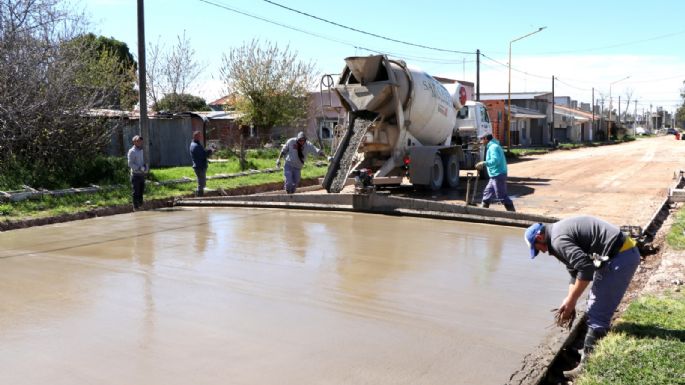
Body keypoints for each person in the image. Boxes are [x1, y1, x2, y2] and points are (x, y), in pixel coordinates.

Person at [524, 216, 640, 378]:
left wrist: (572, 301)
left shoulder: (558, 240)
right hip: (617, 255)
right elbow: (574, 271)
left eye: (539, 248)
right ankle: (590, 347)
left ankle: (588, 366)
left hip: (620, 257)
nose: (543, 252)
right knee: (593, 304)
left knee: (598, 312)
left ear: (540, 237)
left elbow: (585, 269)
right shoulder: (557, 234)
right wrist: (568, 299)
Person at [475, 133, 515, 212]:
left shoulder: (493, 147)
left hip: (498, 174)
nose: (481, 141)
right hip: (494, 175)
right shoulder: (492, 146)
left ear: (486, 139)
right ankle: (483, 211)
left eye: (482, 139)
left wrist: (484, 163)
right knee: (487, 192)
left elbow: (495, 160)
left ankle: (513, 214)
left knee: (501, 195)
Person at [189, 131, 214, 197]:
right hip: (200, 167)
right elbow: (203, 155)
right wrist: (211, 150)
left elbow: (202, 152)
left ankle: (199, 197)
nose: (200, 137)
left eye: (200, 136)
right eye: (199, 136)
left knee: (201, 183)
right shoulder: (196, 146)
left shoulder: (194, 144)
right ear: (195, 136)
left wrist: (209, 150)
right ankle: (199, 198)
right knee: (201, 184)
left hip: (198, 166)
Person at [127, 135, 147, 210]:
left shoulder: (142, 150)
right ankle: (135, 207)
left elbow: (144, 161)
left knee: (141, 191)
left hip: (142, 174)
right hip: (135, 175)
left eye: (141, 141)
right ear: (134, 142)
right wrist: (139, 168)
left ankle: (141, 207)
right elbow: (130, 163)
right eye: (138, 141)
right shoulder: (132, 151)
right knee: (136, 191)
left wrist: (145, 168)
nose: (140, 142)